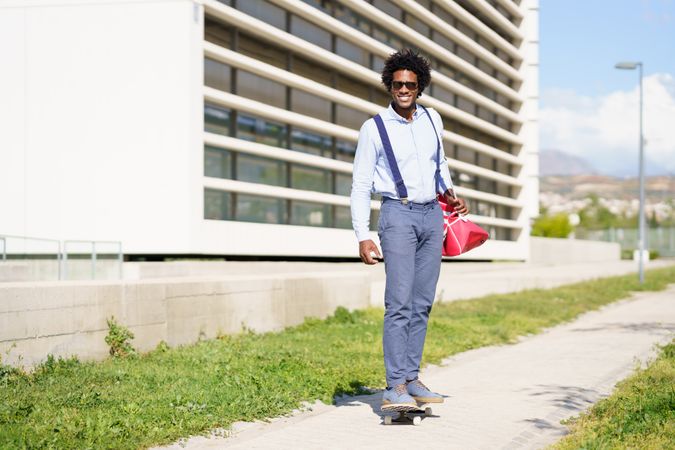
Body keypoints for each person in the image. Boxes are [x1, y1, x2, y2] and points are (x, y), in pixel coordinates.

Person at [350, 49, 469, 410]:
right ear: (390, 85)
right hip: (397, 216)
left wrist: (450, 193)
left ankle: (412, 378)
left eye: (411, 85)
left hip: (433, 216)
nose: (404, 89)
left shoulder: (433, 119)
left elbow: (440, 162)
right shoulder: (374, 128)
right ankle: (394, 386)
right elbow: (360, 184)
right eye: (398, 84)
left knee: (422, 303)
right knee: (399, 303)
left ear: (420, 87)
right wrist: (362, 234)